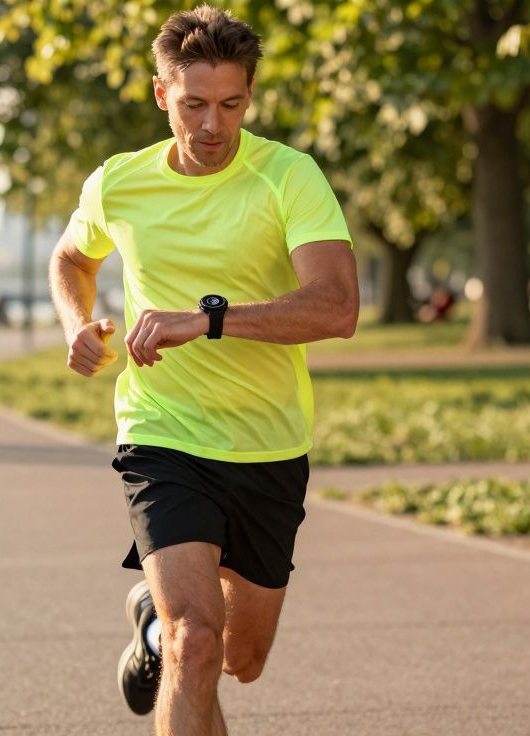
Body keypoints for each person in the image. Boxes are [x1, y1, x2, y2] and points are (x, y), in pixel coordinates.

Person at [48, 8, 358, 734]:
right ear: (162, 94)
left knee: (240, 658)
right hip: (164, 433)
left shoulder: (288, 177)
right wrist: (76, 325)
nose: (212, 125)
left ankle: (153, 625)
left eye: (231, 104)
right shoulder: (118, 184)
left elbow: (337, 307)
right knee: (198, 643)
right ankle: (172, 630)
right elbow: (71, 257)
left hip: (267, 445)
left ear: (249, 96)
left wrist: (208, 319)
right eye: (193, 105)